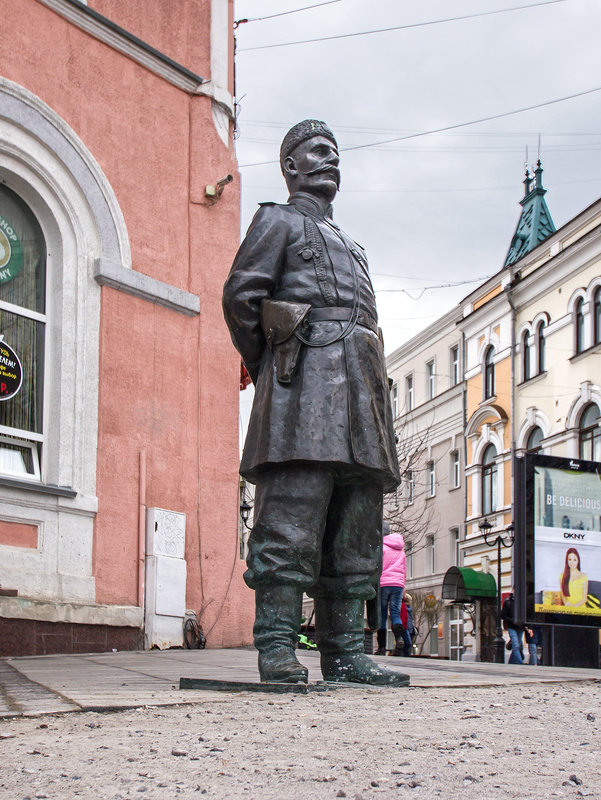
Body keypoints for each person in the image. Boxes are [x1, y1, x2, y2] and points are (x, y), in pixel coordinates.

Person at [222, 120, 406, 687]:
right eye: (316, 152)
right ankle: (276, 644)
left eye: (335, 152)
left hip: (362, 391)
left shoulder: (355, 246)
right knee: (291, 517)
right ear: (291, 168)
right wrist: (277, 367)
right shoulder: (274, 220)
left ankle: (346, 652)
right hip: (302, 391)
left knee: (356, 525)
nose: (330, 160)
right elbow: (241, 297)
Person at [379, 523, 406, 656]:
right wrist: (403, 585)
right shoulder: (400, 549)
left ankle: (382, 648)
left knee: (382, 615)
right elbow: (404, 569)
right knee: (395, 614)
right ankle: (399, 639)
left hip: (384, 583)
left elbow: (377, 567)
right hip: (398, 584)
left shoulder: (380, 547)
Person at [501, 592, 525, 664]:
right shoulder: (508, 602)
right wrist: (511, 620)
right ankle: (520, 662)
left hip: (520, 627)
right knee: (516, 645)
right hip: (512, 626)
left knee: (518, 645)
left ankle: (511, 662)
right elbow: (502, 615)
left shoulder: (523, 602)